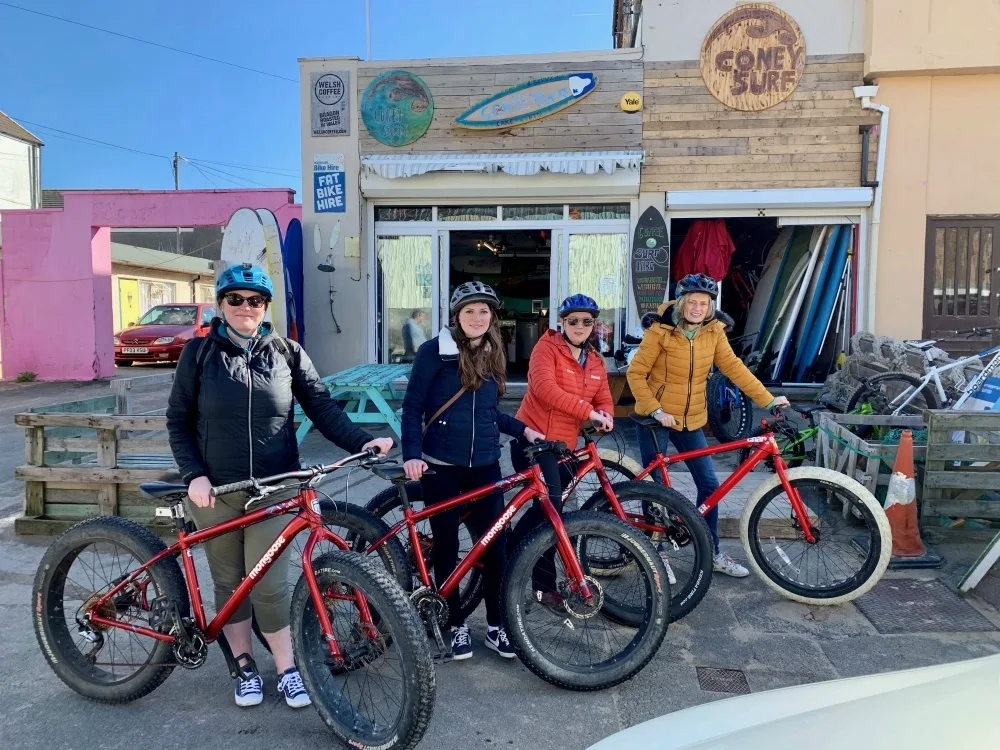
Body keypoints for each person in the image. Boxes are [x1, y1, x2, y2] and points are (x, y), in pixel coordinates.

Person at [166, 263, 392, 708]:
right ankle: (245, 666)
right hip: (217, 491)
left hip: (277, 485)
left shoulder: (287, 352)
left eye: (255, 300)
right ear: (221, 304)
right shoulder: (198, 355)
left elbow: (323, 408)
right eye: (236, 299)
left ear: (265, 307)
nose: (246, 307)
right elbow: (178, 420)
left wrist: (365, 441)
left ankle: (287, 667)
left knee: (268, 584)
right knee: (230, 584)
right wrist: (193, 474)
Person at [401, 281, 543, 661]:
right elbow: (413, 405)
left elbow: (487, 413)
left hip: (485, 467)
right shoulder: (434, 352)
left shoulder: (495, 353)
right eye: (469, 311)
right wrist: (411, 454)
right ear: (456, 316)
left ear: (491, 316)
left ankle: (497, 626)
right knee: (447, 546)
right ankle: (455, 624)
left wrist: (522, 428)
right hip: (441, 467)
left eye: (483, 311)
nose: (477, 318)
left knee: (496, 548)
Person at [626, 273, 789, 577]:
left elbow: (735, 369)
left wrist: (768, 400)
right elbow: (635, 375)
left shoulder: (713, 332)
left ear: (711, 306)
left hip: (692, 420)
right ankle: (655, 554)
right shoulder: (659, 331)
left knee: (710, 486)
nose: (698, 308)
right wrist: (656, 409)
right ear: (682, 303)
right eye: (692, 302)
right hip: (655, 419)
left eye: (704, 303)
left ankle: (711, 550)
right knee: (658, 490)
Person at [509, 294, 614, 604]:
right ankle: (544, 587)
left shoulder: (595, 360)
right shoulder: (546, 349)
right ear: (562, 323)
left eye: (586, 321)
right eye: (573, 321)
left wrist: (605, 415)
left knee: (545, 512)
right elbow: (545, 390)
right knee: (551, 513)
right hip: (534, 443)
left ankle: (511, 548)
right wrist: (589, 412)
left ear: (594, 325)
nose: (579, 326)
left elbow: (604, 397)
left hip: (565, 447)